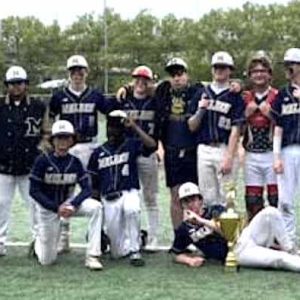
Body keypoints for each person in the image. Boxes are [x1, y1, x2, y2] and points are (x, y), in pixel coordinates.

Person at [49, 55, 115, 252]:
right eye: (73, 71)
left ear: (86, 72)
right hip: (67, 147)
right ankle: (63, 236)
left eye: (80, 71)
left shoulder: (95, 95)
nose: (77, 74)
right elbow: (49, 119)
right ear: (68, 74)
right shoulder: (58, 96)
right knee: (64, 190)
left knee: (94, 190)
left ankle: (96, 237)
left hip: (90, 146)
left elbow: (111, 114)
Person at [29, 120, 103, 270]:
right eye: (59, 137)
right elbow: (34, 191)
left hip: (68, 203)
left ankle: (93, 255)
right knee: (47, 260)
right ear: (53, 140)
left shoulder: (75, 162)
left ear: (71, 140)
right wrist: (56, 208)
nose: (62, 141)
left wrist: (73, 204)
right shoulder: (42, 161)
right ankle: (39, 241)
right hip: (48, 208)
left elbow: (87, 189)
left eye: (66, 137)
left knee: (96, 207)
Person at [87, 110, 157, 267]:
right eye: (109, 127)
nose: (112, 131)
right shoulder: (98, 153)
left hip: (128, 192)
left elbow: (152, 145)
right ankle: (140, 237)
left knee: (132, 209)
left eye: (116, 128)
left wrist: (135, 127)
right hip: (108, 199)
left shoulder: (131, 144)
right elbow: (94, 184)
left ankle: (135, 251)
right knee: (117, 253)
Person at [0, 66, 47, 256]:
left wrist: (39, 151)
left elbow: (46, 133)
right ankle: (0, 242)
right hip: (3, 164)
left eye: (19, 83)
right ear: (7, 86)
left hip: (30, 165)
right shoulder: (0, 106)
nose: (16, 87)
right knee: (1, 205)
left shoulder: (38, 106)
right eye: (12, 84)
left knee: (34, 205)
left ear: (26, 84)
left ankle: (38, 242)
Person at [188, 51, 245, 208]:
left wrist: (229, 156)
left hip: (224, 147)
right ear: (212, 69)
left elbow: (236, 129)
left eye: (223, 67)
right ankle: (212, 232)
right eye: (216, 67)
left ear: (230, 70)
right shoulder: (201, 93)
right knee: (207, 198)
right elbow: (191, 126)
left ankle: (228, 232)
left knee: (227, 199)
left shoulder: (235, 96)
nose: (219, 70)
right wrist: (200, 110)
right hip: (204, 148)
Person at [116, 65, 159, 250]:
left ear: (150, 82)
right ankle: (129, 236)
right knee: (127, 198)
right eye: (137, 79)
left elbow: (152, 143)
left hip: (147, 154)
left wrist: (134, 127)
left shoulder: (155, 102)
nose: (140, 83)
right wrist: (125, 88)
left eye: (144, 80)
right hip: (127, 157)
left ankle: (153, 237)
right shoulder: (123, 100)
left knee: (150, 198)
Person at [157, 58, 201, 230]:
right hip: (172, 151)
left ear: (187, 75)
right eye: (173, 75)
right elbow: (146, 88)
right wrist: (127, 87)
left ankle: (197, 234)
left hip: (193, 151)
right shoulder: (163, 91)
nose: (176, 78)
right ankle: (179, 237)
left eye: (180, 73)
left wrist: (237, 86)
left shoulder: (197, 91)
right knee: (175, 196)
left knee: (195, 197)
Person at [242, 51, 278, 220]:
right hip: (251, 154)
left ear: (269, 74)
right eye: (255, 71)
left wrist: (271, 115)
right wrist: (245, 114)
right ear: (250, 75)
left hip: (273, 154)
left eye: (263, 71)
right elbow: (235, 126)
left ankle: (278, 240)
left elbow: (289, 124)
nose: (259, 74)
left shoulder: (278, 96)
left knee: (275, 199)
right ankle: (255, 238)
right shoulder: (244, 97)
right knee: (252, 200)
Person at [271, 47, 300, 248]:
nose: (288, 68)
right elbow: (278, 128)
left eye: (292, 64)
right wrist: (276, 156)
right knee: (286, 200)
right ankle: (288, 242)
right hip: (289, 150)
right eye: (286, 64)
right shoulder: (283, 94)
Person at [170, 182, 228, 267]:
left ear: (200, 200)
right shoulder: (184, 228)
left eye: (193, 200)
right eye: (186, 201)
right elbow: (175, 254)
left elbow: (227, 231)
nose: (190, 204)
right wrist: (189, 260)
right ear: (182, 205)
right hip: (219, 260)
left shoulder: (215, 211)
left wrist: (200, 220)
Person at [236, 206, 300, 272]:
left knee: (270, 211)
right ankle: (291, 251)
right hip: (242, 249)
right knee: (281, 258)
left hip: (247, 236)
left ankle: (291, 249)